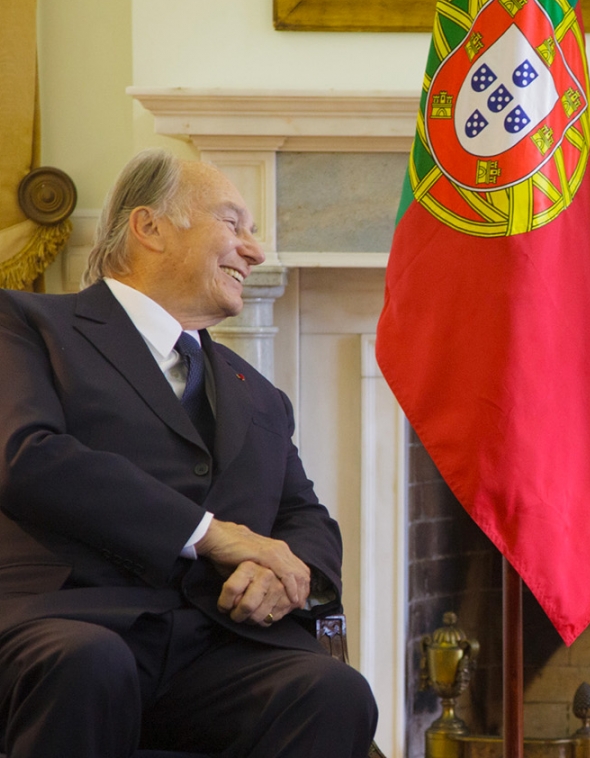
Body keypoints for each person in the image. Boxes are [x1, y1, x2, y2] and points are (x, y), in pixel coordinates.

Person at [0, 150, 377, 756]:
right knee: (90, 663)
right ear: (148, 227)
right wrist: (212, 534)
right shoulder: (26, 324)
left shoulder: (262, 396)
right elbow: (29, 457)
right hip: (71, 623)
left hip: (217, 643)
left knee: (332, 691)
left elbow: (305, 517)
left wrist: (288, 575)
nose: (254, 251)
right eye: (234, 223)